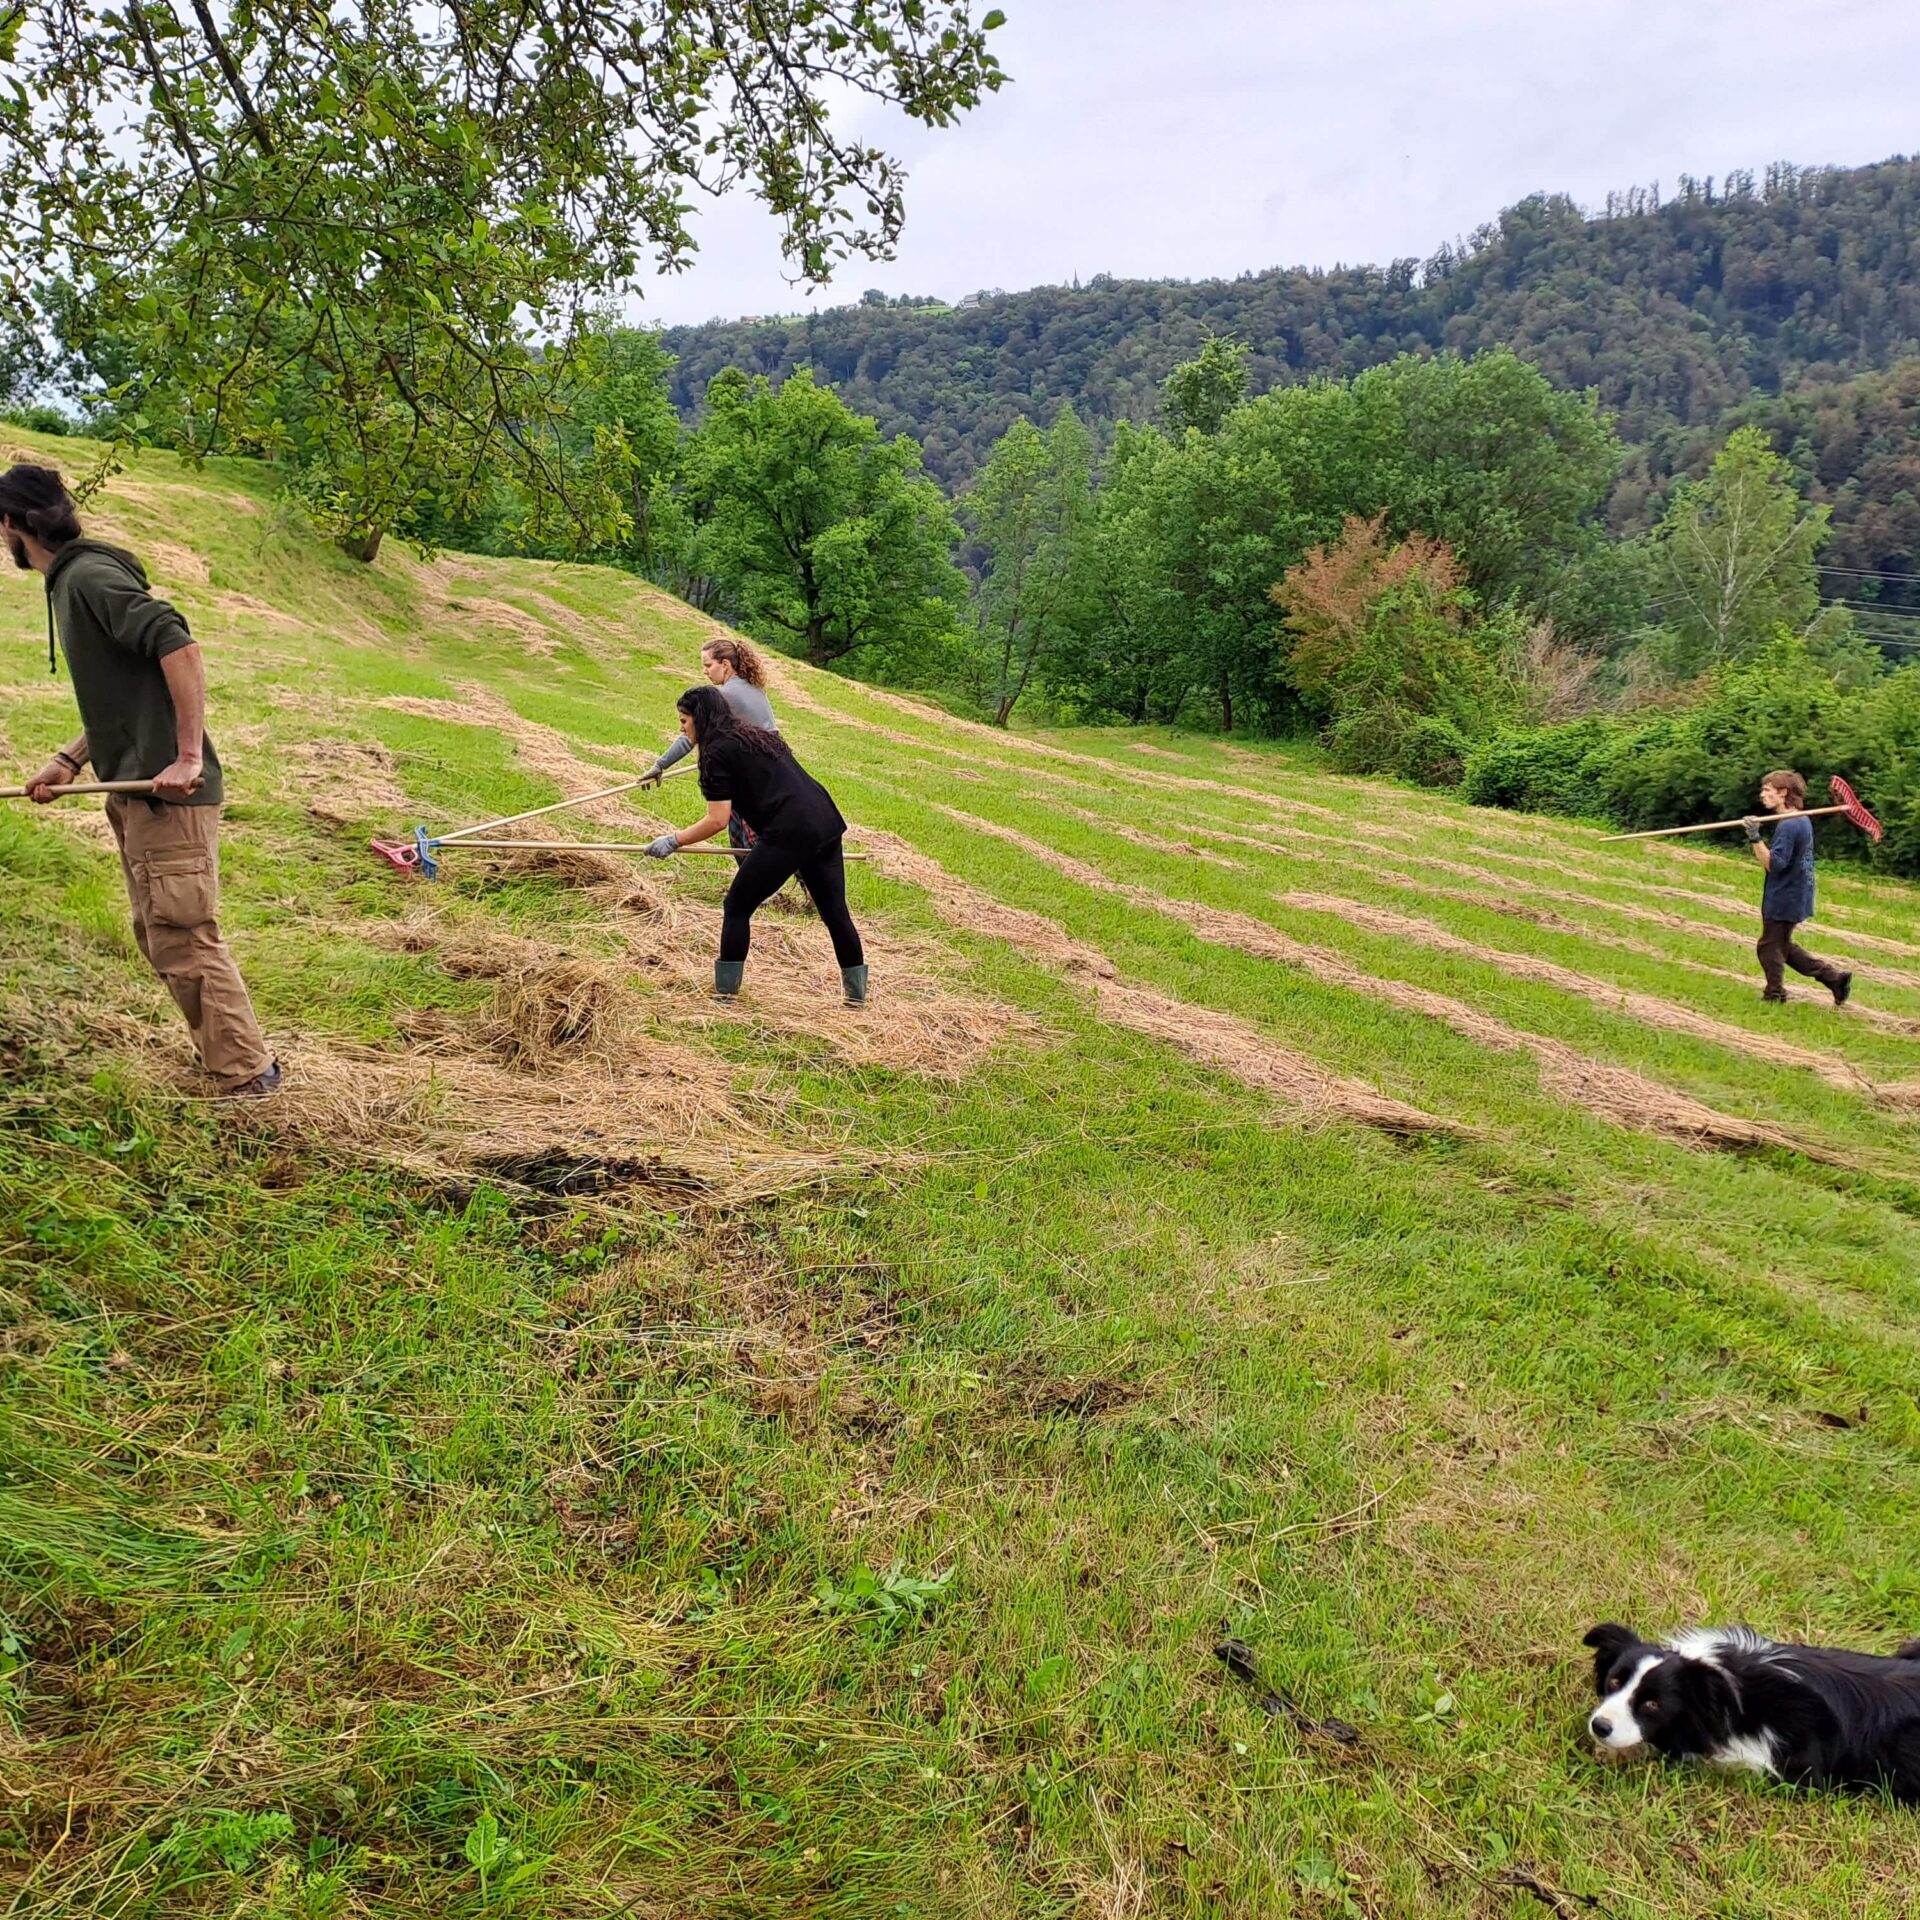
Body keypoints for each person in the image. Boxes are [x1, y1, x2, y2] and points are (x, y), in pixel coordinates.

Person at [4, 463, 281, 1096]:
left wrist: (186, 757)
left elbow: (176, 646)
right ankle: (227, 1060)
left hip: (167, 795)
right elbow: (126, 691)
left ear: (13, 524)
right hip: (132, 790)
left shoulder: (89, 578)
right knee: (159, 932)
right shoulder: (72, 580)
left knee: (184, 934)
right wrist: (71, 759)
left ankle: (248, 1078)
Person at [645, 684, 867, 1006]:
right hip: (824, 818)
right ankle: (856, 998)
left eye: (683, 720)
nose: (681, 728)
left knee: (736, 907)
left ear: (700, 718)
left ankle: (725, 995)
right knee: (834, 911)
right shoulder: (753, 734)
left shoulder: (716, 755)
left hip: (789, 831)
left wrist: (673, 840)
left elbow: (717, 820)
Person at [642, 637, 775, 852]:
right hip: (771, 772)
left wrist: (660, 765)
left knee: (748, 844)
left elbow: (689, 737)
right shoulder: (754, 689)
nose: (705, 671)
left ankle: (755, 883)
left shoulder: (724, 697)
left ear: (725, 664)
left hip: (751, 779)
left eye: (708, 665)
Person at [1745, 768, 1852, 1008]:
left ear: (1783, 793)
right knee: (1782, 946)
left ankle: (1775, 994)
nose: (1762, 794)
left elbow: (1775, 864)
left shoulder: (1790, 825)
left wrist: (1754, 837)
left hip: (1786, 896)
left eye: (1768, 790)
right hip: (1795, 892)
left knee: (1768, 947)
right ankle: (1835, 979)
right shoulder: (1799, 820)